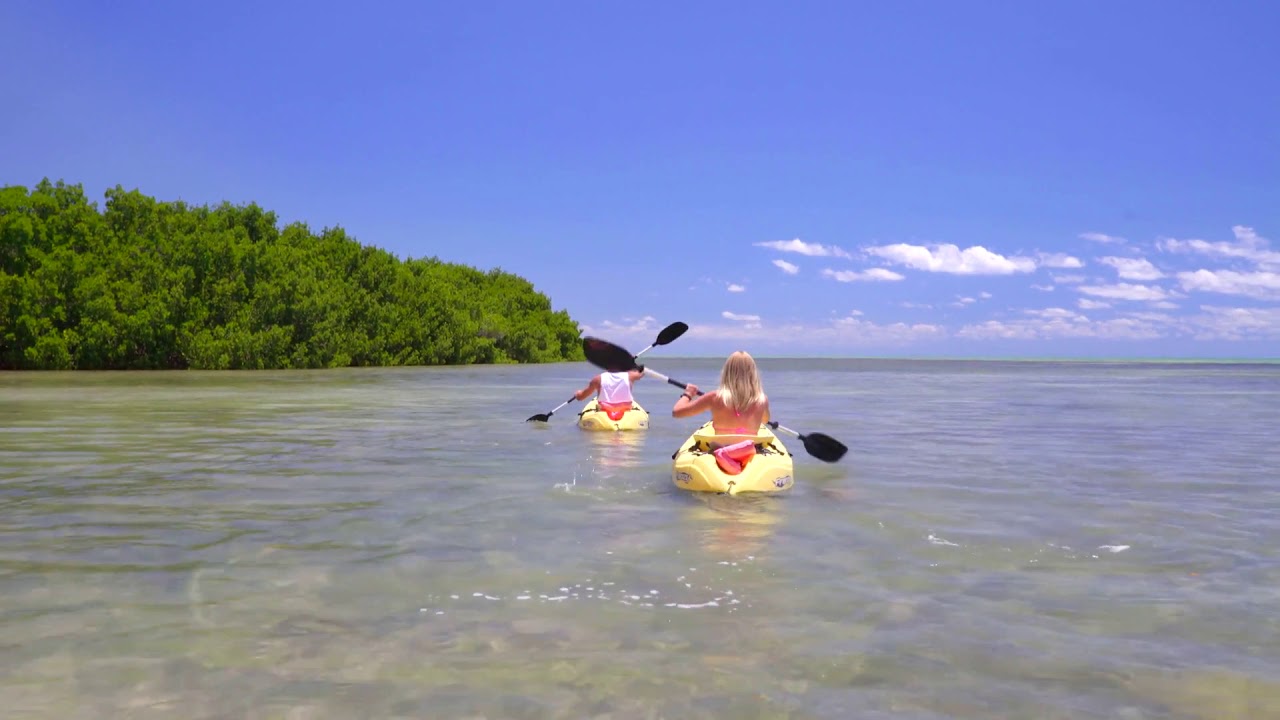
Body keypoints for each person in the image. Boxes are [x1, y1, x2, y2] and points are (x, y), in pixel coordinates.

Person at [671, 351, 771, 474]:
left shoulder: (714, 397)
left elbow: (677, 412)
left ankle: (723, 455)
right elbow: (765, 420)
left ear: (727, 372)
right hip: (748, 452)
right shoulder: (762, 399)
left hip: (720, 447)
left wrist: (688, 394)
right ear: (753, 373)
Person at [575, 368, 644, 419]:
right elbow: (641, 373)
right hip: (625, 409)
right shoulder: (631, 376)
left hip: (605, 410)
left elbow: (581, 397)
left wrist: (578, 394)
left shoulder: (598, 379)